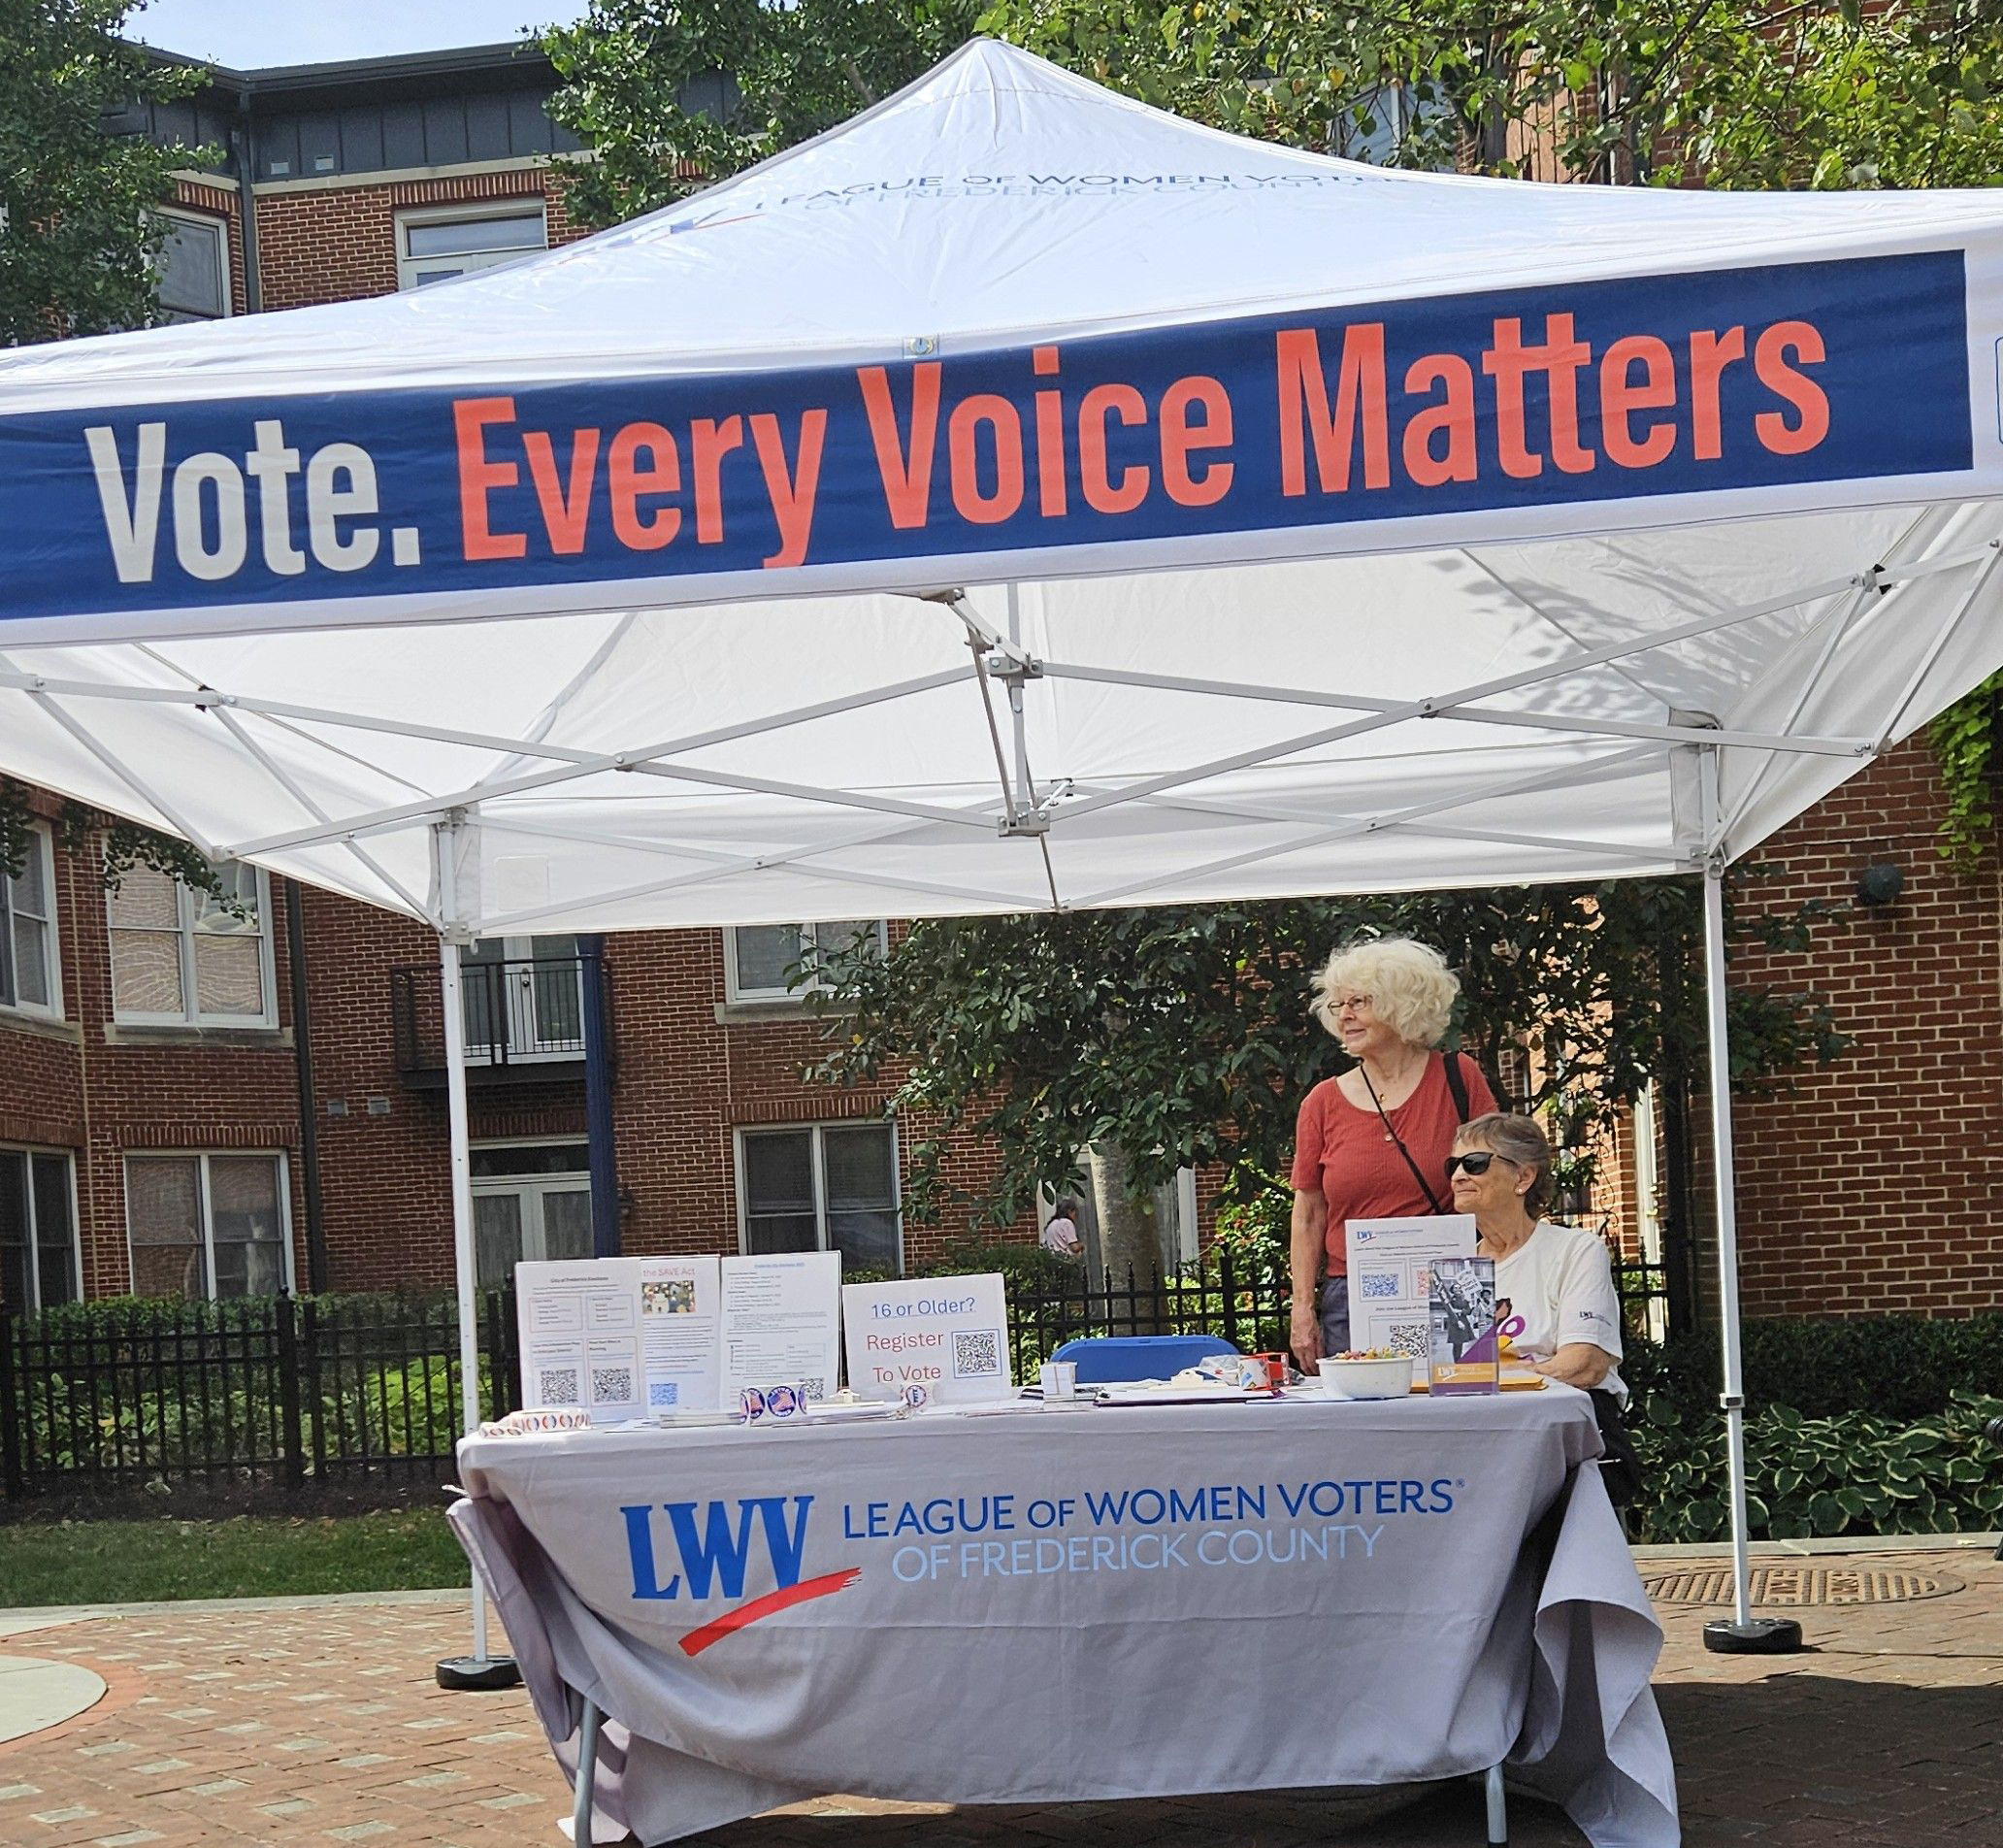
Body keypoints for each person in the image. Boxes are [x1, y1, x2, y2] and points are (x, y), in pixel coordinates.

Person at [1288, 937, 1496, 1374]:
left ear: (1401, 1004)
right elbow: (1308, 1213)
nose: (1343, 1015)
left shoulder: (1459, 1078)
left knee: (1459, 1410)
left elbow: (1496, 1181)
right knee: (1367, 1427)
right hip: (1353, 1293)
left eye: (1358, 1002)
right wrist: (1302, 1309)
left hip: (1451, 1283)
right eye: (1338, 1004)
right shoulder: (1322, 1103)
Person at [1444, 1112, 1625, 1401]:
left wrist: (1499, 1382)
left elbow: (1584, 1363)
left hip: (1555, 1425)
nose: (1458, 1176)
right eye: (1453, 1165)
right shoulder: (1452, 1267)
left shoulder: (1574, 1250)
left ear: (1524, 1176)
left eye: (1474, 1163)